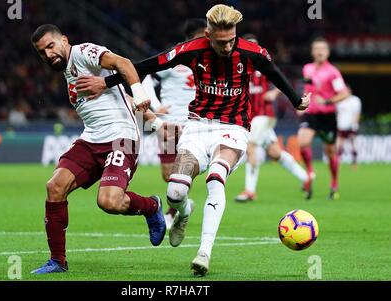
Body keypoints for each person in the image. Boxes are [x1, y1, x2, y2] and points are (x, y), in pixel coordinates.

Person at [78, 4, 310, 276]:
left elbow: (274, 74)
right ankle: (184, 212)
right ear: (208, 34)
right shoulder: (191, 50)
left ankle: (204, 252)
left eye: (231, 40)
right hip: (198, 127)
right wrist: (106, 83)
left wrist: (296, 100)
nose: (227, 47)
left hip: (233, 129)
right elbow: (147, 65)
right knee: (175, 191)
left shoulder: (251, 52)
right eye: (221, 41)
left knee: (215, 177)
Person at [30, 24, 167, 274]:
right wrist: (153, 120)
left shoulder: (83, 52)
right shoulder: (68, 72)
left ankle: (151, 207)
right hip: (91, 138)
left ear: (64, 40)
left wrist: (139, 94)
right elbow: (116, 96)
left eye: (51, 46)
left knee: (109, 202)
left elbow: (124, 63)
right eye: (42, 52)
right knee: (55, 187)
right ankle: (57, 261)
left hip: (120, 138)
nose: (48, 54)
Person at [142, 18, 207, 229]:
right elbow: (146, 77)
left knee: (186, 166)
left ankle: (172, 212)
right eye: (204, 35)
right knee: (167, 174)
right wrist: (155, 105)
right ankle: (185, 204)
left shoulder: (209, 58)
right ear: (193, 37)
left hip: (193, 122)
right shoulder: (176, 56)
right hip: (168, 123)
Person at [234, 34, 310, 202]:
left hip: (263, 115)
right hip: (252, 117)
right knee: (275, 153)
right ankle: (306, 178)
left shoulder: (261, 66)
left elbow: (282, 80)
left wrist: (274, 92)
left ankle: (249, 191)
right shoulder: (238, 69)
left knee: (251, 146)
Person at [299, 37, 351, 200]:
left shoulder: (333, 72)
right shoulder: (307, 68)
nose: (320, 51)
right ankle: (310, 173)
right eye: (317, 48)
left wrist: (328, 101)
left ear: (327, 52)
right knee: (302, 142)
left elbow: (344, 93)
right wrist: (302, 104)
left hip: (328, 115)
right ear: (312, 52)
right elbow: (308, 88)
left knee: (330, 152)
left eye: (323, 49)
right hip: (312, 114)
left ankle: (334, 183)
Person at [336, 86, 362, 169]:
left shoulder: (355, 100)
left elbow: (357, 113)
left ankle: (354, 162)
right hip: (341, 125)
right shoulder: (339, 101)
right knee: (339, 144)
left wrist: (355, 124)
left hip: (351, 125)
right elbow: (338, 114)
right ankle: (337, 161)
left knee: (353, 144)